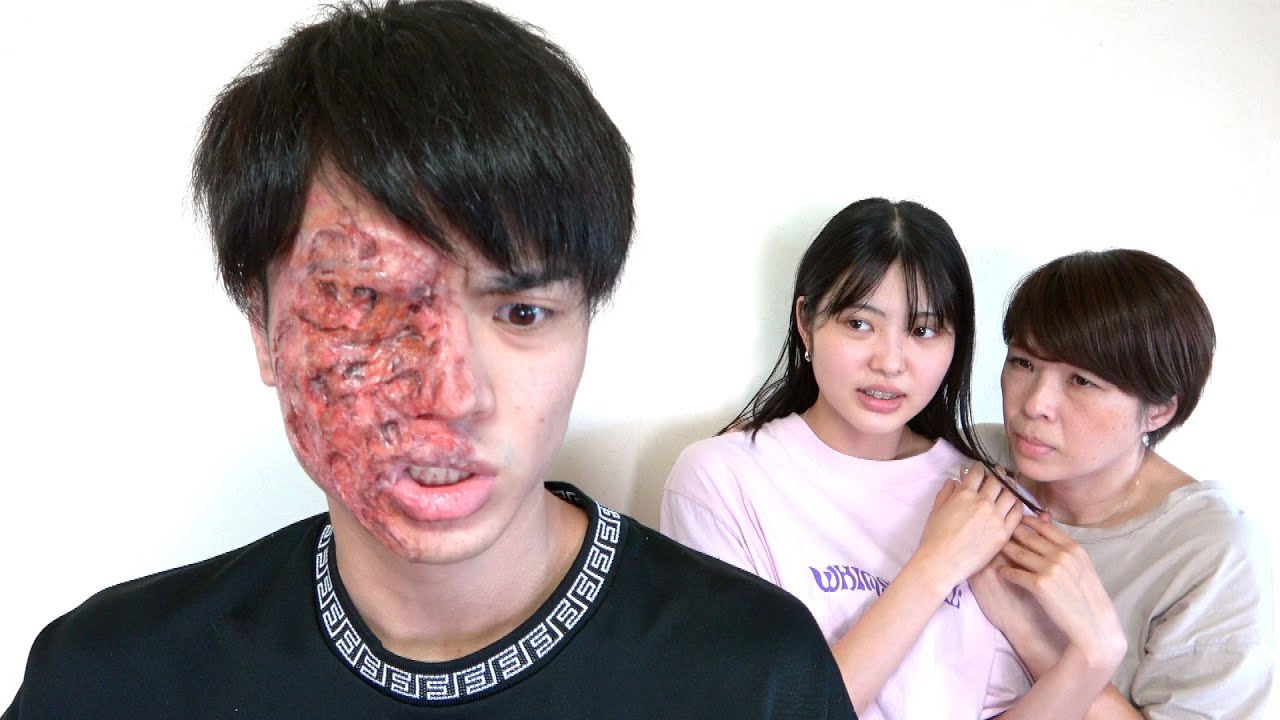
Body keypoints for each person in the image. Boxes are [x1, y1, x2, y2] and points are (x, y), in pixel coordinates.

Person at [3, 2, 855, 718]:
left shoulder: (754, 676)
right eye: (365, 305)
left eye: (522, 313)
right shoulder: (110, 681)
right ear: (262, 327)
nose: (452, 396)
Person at [662, 198, 1112, 718]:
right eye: (859, 324)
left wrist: (1092, 660)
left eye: (923, 331)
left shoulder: (987, 499)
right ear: (806, 323)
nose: (890, 362)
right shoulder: (722, 480)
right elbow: (766, 711)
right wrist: (934, 567)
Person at [969, 248, 1275, 718]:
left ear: (1159, 410)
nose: (1034, 404)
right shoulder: (972, 460)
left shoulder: (1213, 553)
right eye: (1023, 362)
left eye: (1081, 381)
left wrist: (1038, 639)